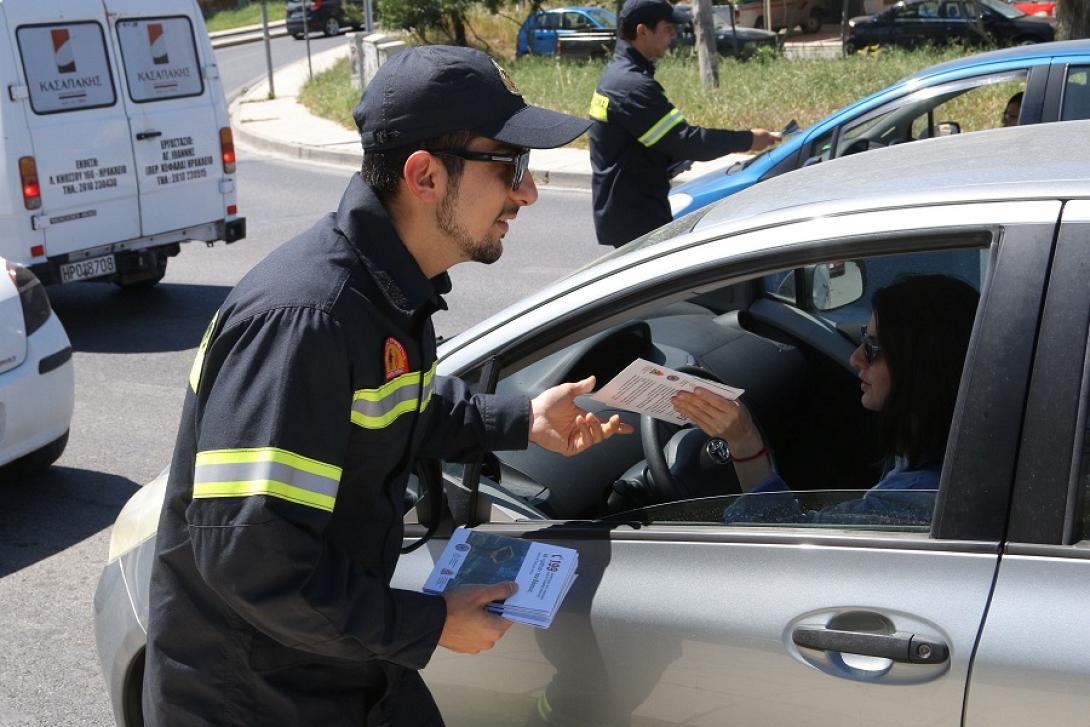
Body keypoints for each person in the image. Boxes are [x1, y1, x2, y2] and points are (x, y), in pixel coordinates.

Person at [142, 45, 633, 727]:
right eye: (509, 165)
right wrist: (426, 622)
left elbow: (393, 407)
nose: (526, 192)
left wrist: (521, 420)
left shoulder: (385, 291)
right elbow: (253, 558)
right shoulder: (307, 319)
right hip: (258, 696)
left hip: (344, 666)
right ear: (425, 174)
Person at [671, 275, 980, 525]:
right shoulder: (948, 443)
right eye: (862, 338)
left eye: (872, 347)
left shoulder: (914, 500)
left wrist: (743, 442)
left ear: (920, 366)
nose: (855, 357)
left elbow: (781, 552)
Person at [588, 0, 781, 248]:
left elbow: (638, 141)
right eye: (667, 28)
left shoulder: (618, 75)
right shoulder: (632, 86)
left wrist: (670, 160)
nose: (674, 35)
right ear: (642, 31)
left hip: (628, 209)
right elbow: (688, 141)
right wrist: (750, 139)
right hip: (638, 216)